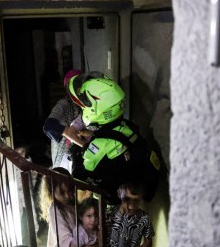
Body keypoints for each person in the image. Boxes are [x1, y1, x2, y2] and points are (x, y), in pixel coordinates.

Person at [65, 73, 161, 204]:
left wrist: (75, 153)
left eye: (83, 106)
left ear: (97, 110)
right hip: (132, 187)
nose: (83, 109)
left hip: (115, 204)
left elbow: (79, 178)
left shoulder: (100, 147)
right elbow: (112, 138)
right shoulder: (127, 126)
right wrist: (93, 136)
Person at [42, 70, 83, 171]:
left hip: (82, 153)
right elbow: (49, 126)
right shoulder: (64, 104)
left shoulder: (86, 103)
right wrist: (69, 133)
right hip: (65, 154)